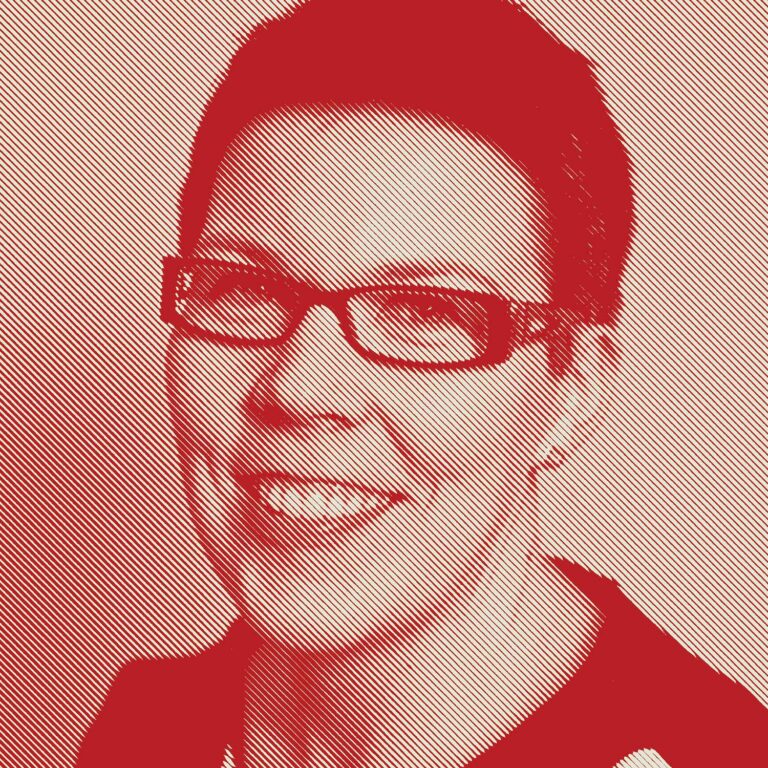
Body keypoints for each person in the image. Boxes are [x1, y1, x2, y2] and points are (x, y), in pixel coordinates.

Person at [76, 0, 768, 766]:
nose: (300, 387)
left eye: (424, 311)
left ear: (572, 388)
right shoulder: (150, 727)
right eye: (247, 288)